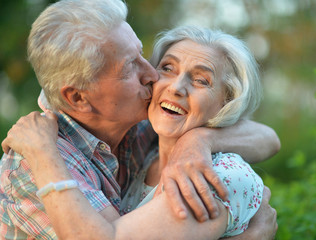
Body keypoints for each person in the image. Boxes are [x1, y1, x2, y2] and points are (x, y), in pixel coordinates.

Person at [0, 0, 279, 239]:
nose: (153, 75)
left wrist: (199, 140)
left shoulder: (142, 127)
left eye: (142, 55)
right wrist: (42, 153)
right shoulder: (32, 166)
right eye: (130, 67)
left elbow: (268, 137)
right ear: (78, 99)